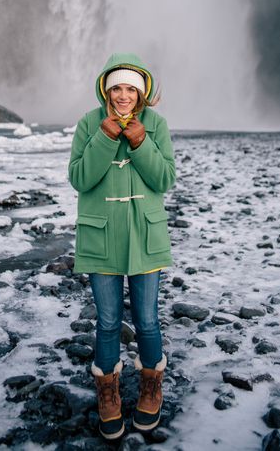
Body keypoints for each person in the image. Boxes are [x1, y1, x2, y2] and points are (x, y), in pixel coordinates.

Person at [68, 52, 176, 440]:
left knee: (147, 319)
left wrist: (142, 142)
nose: (124, 95)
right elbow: (80, 178)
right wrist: (105, 136)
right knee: (109, 321)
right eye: (117, 87)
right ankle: (108, 392)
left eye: (131, 88)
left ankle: (151, 386)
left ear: (141, 92)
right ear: (106, 90)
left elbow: (164, 179)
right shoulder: (88, 124)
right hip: (102, 237)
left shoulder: (157, 124)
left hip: (146, 236)